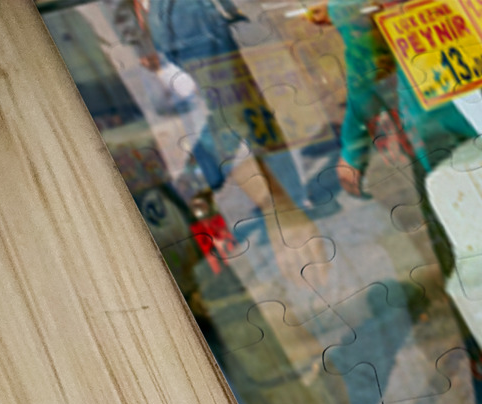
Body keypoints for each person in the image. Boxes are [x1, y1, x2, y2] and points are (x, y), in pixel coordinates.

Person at [108, 0, 330, 290]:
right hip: (186, 15)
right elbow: (230, 118)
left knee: (243, 105)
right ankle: (252, 197)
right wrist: (280, 208)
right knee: (233, 108)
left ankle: (275, 202)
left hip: (189, 17)